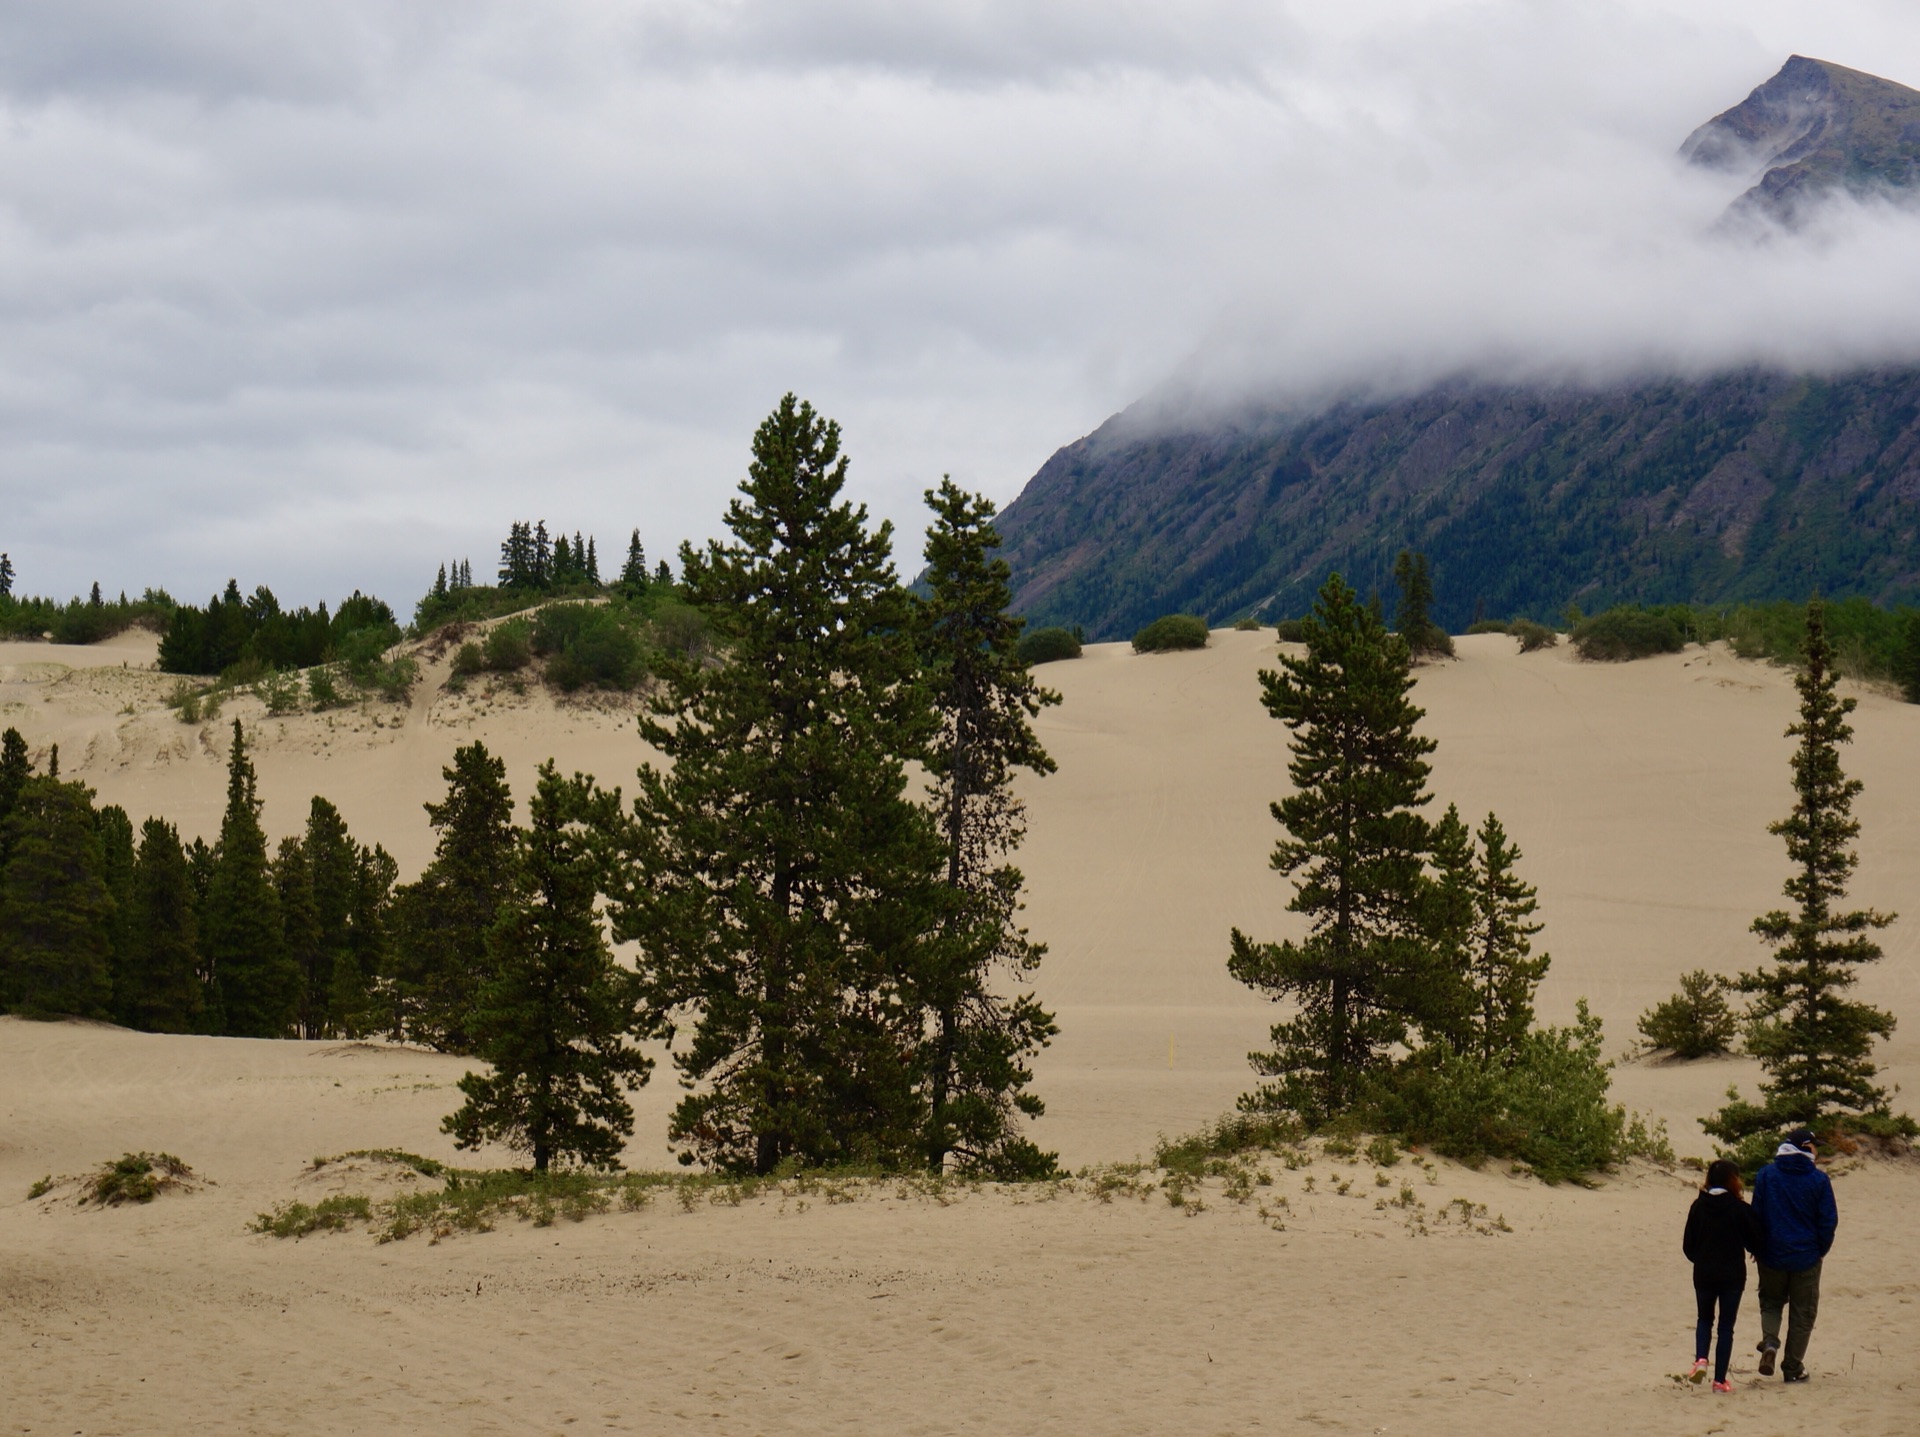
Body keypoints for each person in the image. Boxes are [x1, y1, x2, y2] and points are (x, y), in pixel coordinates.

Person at [1751, 1126, 1839, 1383]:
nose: (1817, 1150)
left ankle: (1770, 1342)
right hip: (1806, 1256)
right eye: (1814, 1146)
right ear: (1805, 1148)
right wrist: (1820, 1250)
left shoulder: (1766, 1175)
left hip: (1771, 1254)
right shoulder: (1819, 1180)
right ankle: (1792, 1367)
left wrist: (1757, 1247)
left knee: (1771, 1302)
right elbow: (1828, 1221)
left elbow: (1756, 1215)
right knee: (1803, 1313)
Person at [1683, 1158, 1763, 1392]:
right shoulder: (1739, 1208)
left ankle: (1700, 1359)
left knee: (1704, 1319)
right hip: (1732, 1275)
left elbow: (1688, 1245)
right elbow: (1756, 1239)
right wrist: (1755, 1251)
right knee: (1726, 1327)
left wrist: (1701, 1259)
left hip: (1704, 1273)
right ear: (1733, 1180)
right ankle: (1719, 1381)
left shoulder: (1698, 1206)